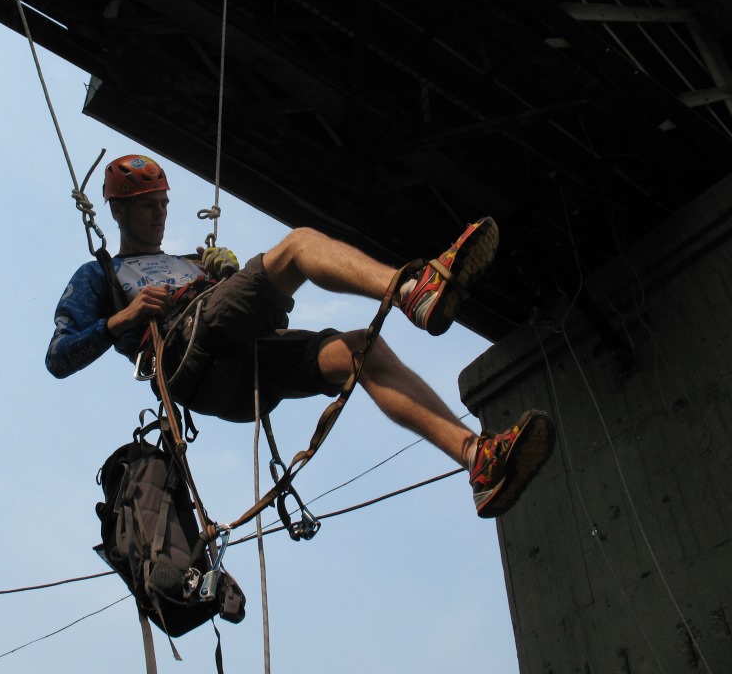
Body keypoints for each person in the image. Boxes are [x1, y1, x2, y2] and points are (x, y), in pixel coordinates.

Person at [47, 154, 553, 518]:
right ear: (118, 212)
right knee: (299, 246)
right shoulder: (102, 276)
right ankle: (410, 290)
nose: (160, 215)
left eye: (162, 204)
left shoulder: (185, 261)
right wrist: (122, 318)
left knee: (362, 350)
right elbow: (59, 357)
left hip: (241, 359)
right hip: (187, 353)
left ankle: (478, 460)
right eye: (147, 206)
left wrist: (222, 274)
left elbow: (244, 307)